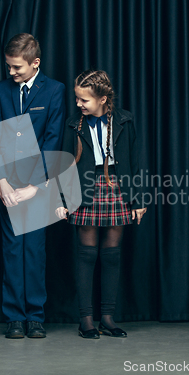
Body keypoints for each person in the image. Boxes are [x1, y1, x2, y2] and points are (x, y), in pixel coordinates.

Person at [56, 70, 147, 339]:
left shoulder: (125, 120)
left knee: (112, 254)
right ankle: (86, 320)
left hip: (118, 186)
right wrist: (62, 200)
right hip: (84, 187)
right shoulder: (74, 124)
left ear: (103, 99)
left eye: (84, 100)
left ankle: (107, 317)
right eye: (77, 99)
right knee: (86, 254)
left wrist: (139, 199)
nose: (79, 104)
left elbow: (136, 159)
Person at [0, 33, 65, 338]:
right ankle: (14, 317)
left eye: (16, 67)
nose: (11, 73)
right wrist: (1, 180)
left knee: (33, 251)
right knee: (12, 251)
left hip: (37, 185)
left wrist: (36, 186)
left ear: (35, 63)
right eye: (8, 67)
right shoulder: (2, 90)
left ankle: (35, 315)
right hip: (8, 184)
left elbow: (53, 140)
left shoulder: (55, 90)